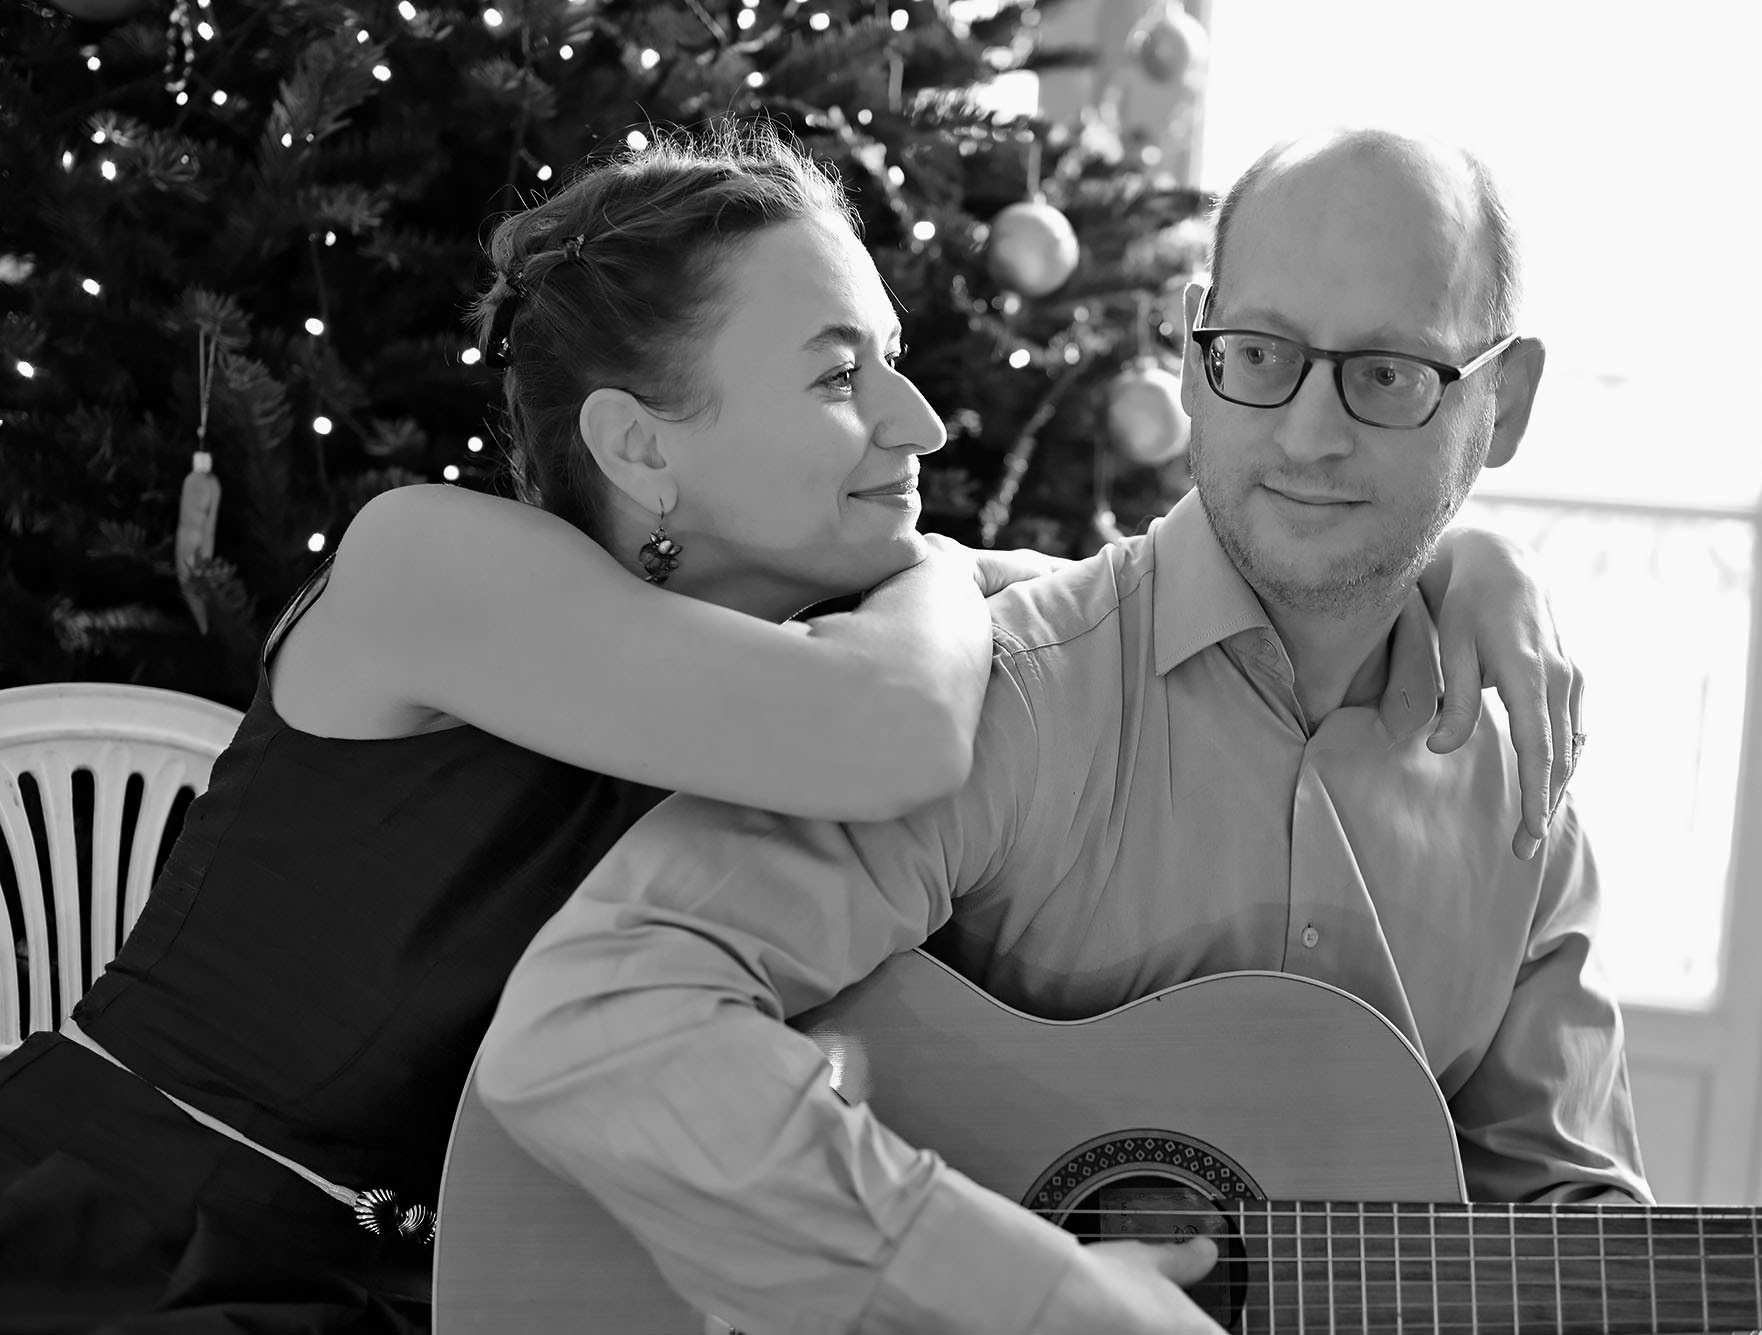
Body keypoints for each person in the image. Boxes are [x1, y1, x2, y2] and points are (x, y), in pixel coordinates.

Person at [0, 123, 1581, 1335]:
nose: (921, 421)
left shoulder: (816, 633)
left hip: (410, 1287)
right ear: (638, 443)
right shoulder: (430, 560)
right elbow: (906, 715)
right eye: (843, 374)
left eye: (895, 360)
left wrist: (1449, 555)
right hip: (118, 1241)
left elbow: (1213, 579)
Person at [474, 126, 1634, 1335]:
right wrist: (1038, 1293)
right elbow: (595, 1021)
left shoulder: (1524, 811)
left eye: (1387, 375)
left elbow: (1574, 1229)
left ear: (1500, 403)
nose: (1305, 434)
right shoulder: (1011, 700)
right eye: (1255, 353)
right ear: (1189, 354)